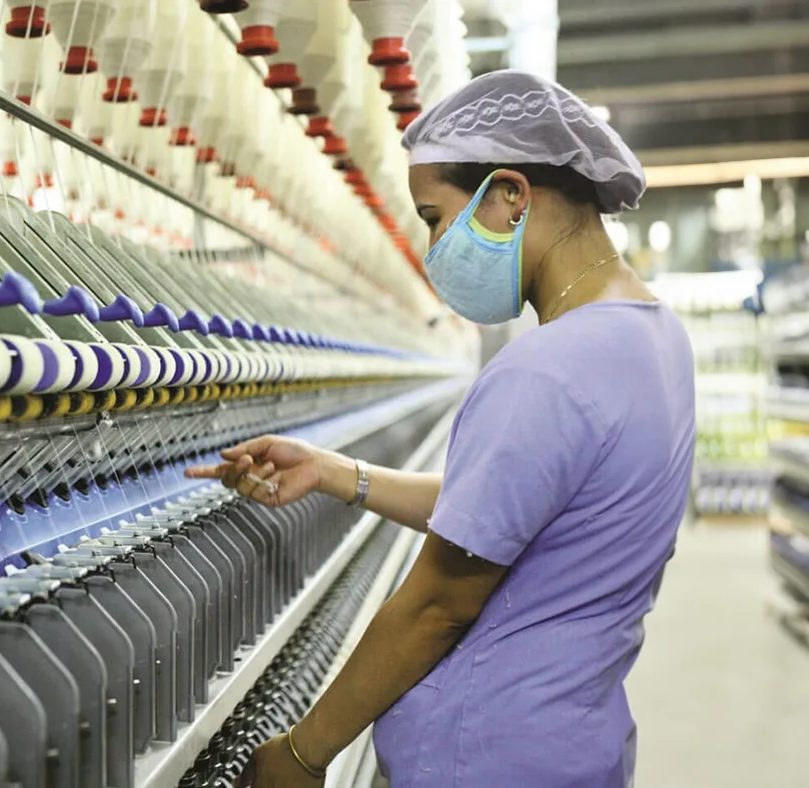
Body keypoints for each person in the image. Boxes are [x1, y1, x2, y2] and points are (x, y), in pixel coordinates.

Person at [186, 70, 694, 787]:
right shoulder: (655, 337)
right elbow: (507, 509)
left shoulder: (546, 370)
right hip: (571, 743)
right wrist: (337, 473)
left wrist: (303, 752)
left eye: (434, 217)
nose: (433, 248)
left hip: (486, 757)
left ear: (510, 195)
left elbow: (436, 606)